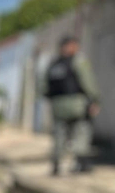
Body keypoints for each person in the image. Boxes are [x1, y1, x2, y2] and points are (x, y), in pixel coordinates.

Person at [41, 36, 101, 175]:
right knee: (82, 131)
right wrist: (95, 99)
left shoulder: (53, 64)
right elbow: (88, 82)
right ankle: (81, 163)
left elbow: (43, 87)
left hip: (57, 105)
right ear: (72, 46)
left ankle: (56, 165)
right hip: (76, 103)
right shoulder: (78, 61)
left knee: (59, 134)